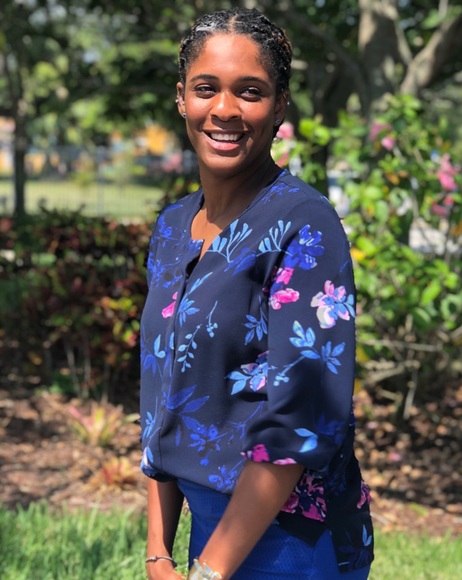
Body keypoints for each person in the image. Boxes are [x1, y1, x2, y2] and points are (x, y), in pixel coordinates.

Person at [140, 8, 374, 580]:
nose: (224, 109)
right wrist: (158, 552)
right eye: (206, 88)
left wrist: (210, 571)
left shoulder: (304, 223)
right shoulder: (173, 227)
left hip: (287, 539)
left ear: (280, 106)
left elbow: (302, 416)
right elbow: (161, 394)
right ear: (181, 98)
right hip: (207, 527)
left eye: (250, 91)